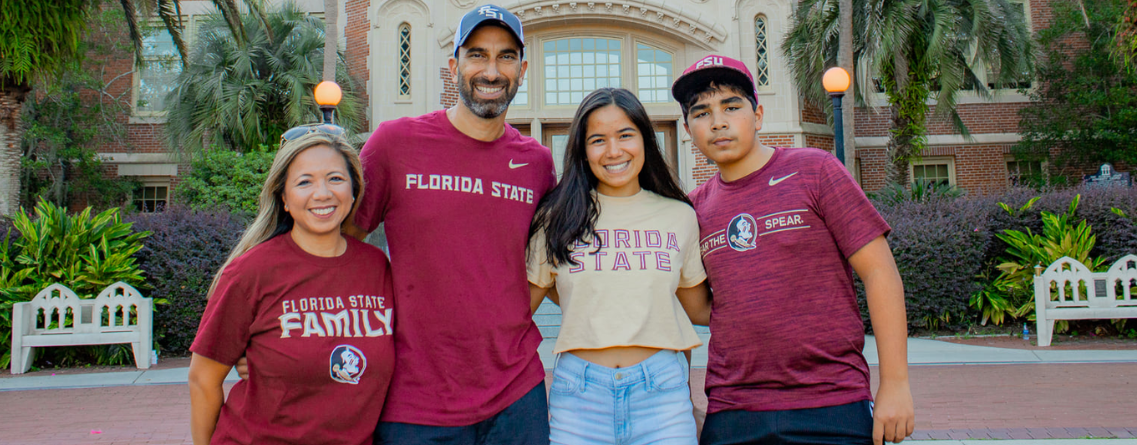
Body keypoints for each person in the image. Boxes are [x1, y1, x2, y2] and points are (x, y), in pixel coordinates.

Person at [670, 55, 916, 445]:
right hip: (734, 408)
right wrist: (683, 402)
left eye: (732, 107)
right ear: (687, 129)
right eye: (702, 113)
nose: (717, 121)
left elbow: (880, 271)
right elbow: (698, 309)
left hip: (832, 401)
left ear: (759, 114)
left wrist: (896, 385)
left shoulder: (815, 171)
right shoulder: (693, 209)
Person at [342, 5, 555, 444]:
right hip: (414, 400)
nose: (491, 71)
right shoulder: (394, 143)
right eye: (477, 55)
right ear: (454, 65)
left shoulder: (537, 163)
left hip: (516, 395)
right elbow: (338, 247)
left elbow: (547, 266)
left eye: (506, 57)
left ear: (522, 68)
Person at [188, 129, 395, 445]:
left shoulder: (377, 268)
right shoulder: (251, 272)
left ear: (354, 190)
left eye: (336, 179)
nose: (322, 193)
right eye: (304, 182)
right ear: (284, 198)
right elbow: (203, 379)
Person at [527, 87, 710, 444]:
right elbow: (521, 307)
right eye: (598, 140)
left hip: (661, 393)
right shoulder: (556, 217)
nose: (613, 151)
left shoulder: (679, 215)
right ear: (581, 149)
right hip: (579, 395)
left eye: (626, 135)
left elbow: (700, 308)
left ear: (646, 138)